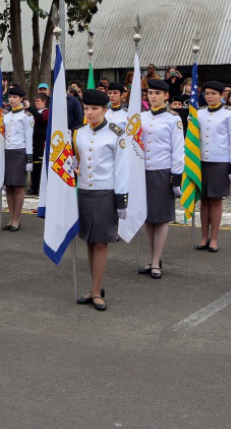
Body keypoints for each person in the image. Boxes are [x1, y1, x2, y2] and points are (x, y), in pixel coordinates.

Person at [73, 89, 128, 311]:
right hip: (85, 191)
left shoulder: (117, 133)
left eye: (94, 109)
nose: (90, 113)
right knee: (88, 239)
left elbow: (122, 168)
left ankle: (96, 292)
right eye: (86, 108)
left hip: (106, 193)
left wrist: (121, 200)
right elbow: (75, 163)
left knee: (101, 242)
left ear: (105, 110)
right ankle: (95, 285)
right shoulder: (78, 133)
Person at [137, 80, 184, 280]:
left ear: (166, 96)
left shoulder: (173, 119)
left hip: (162, 171)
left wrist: (176, 178)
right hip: (142, 172)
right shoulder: (140, 117)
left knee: (162, 217)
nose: (153, 96)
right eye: (150, 93)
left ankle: (156, 261)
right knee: (148, 217)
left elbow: (178, 150)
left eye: (157, 93)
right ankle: (151, 257)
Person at [196, 81, 231, 253]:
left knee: (215, 201)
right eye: (207, 93)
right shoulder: (199, 113)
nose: (209, 96)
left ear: (222, 95)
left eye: (213, 93)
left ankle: (214, 238)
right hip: (201, 162)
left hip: (220, 161)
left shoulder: (229, 114)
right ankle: (203, 237)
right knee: (204, 200)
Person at [2, 86, 33, 231]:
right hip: (7, 152)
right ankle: (10, 217)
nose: (12, 99)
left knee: (19, 187)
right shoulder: (5, 116)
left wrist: (29, 159)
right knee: (8, 186)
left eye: (15, 97)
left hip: (20, 152)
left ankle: (16, 219)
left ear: (21, 99)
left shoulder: (27, 116)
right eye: (10, 97)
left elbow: (29, 138)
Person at [28, 92, 50, 195]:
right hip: (33, 143)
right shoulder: (35, 113)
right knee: (33, 168)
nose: (36, 103)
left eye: (38, 101)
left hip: (41, 144)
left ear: (44, 102)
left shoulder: (46, 112)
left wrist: (30, 108)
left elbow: (41, 118)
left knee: (39, 167)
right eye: (35, 101)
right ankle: (33, 188)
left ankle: (39, 189)